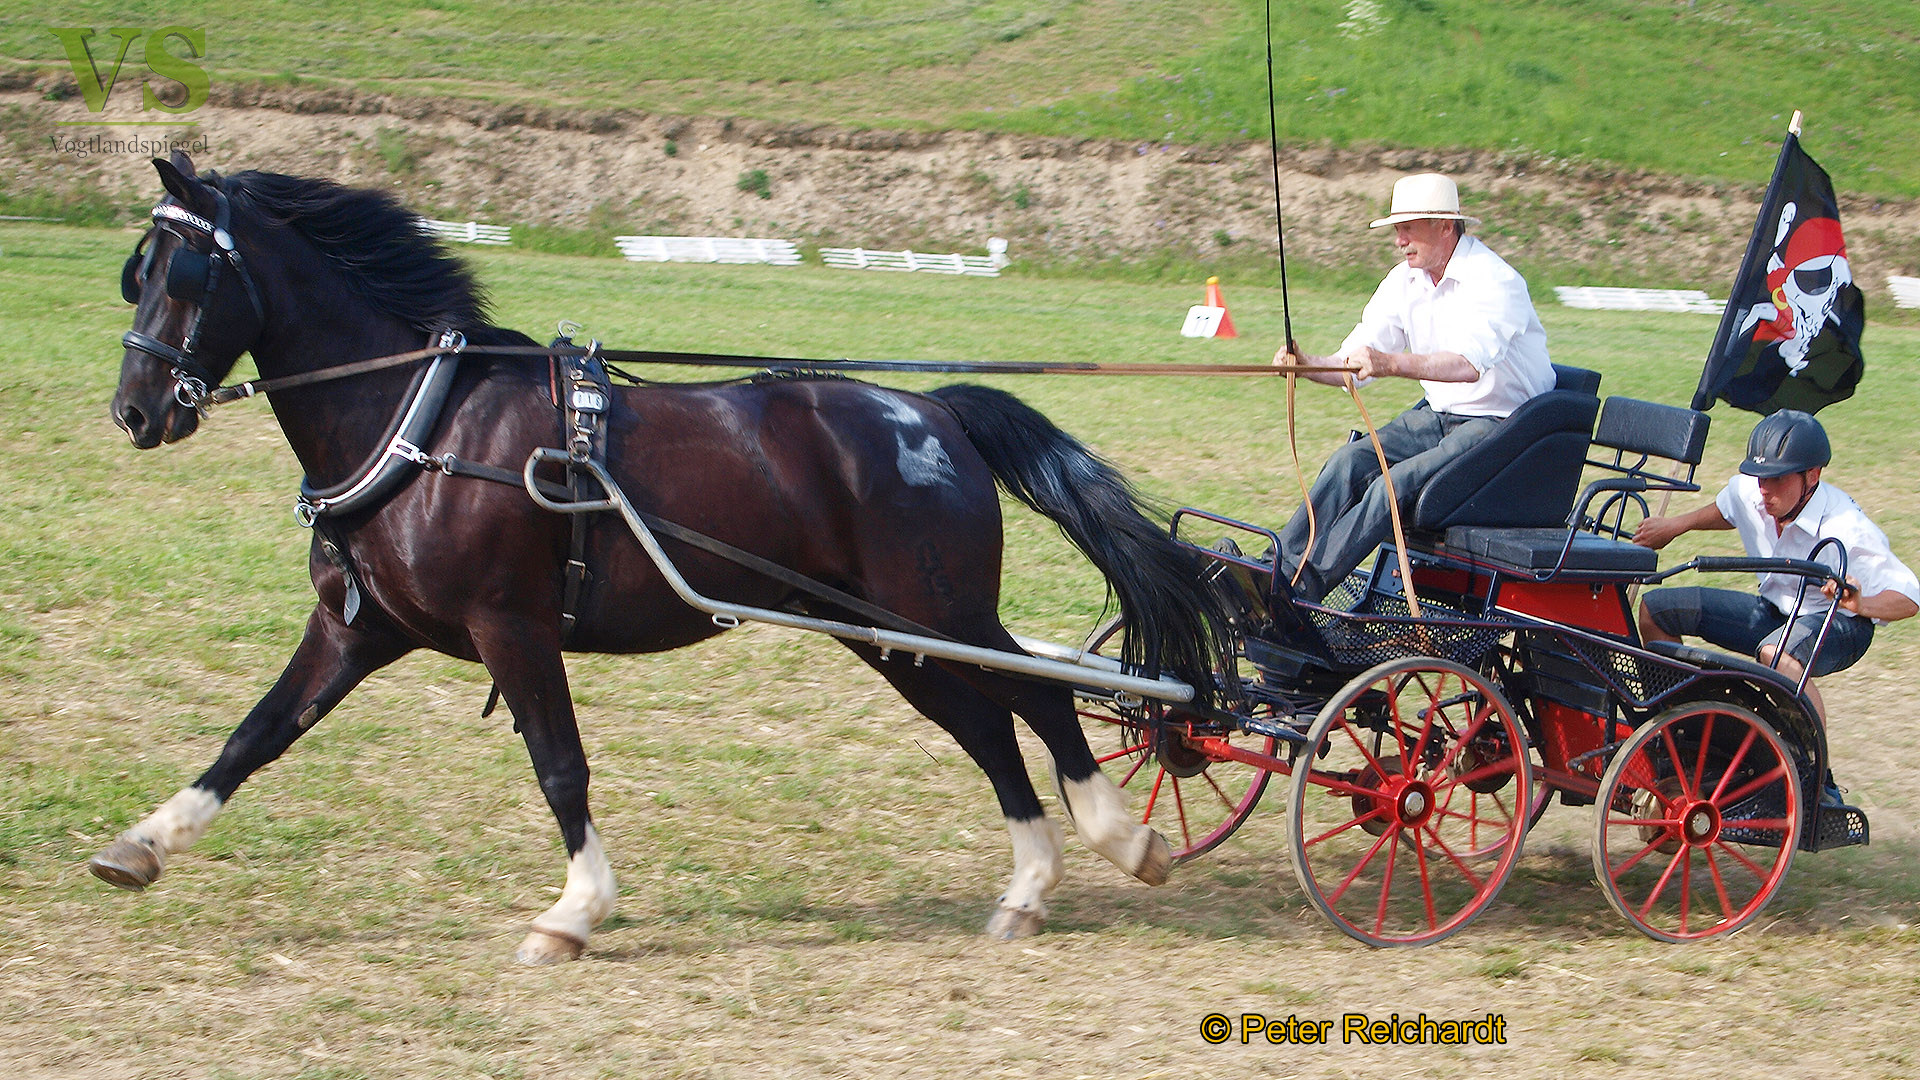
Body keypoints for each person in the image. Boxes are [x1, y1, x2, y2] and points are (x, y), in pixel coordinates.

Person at [1270, 173, 1555, 602]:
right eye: (1396, 230)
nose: (1399, 241)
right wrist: (1306, 365)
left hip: (1505, 429)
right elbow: (1354, 365)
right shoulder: (1404, 281)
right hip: (1438, 416)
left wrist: (1390, 364)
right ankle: (1274, 573)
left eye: (1408, 228)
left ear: (1445, 226)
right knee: (1349, 461)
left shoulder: (1496, 281)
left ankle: (1302, 589)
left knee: (1392, 485)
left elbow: (1466, 365)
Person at [1634, 410, 1918, 729]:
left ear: (1812, 476)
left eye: (1777, 478)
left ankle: (1815, 770)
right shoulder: (1752, 492)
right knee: (1656, 610)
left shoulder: (1847, 528)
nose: (1765, 489)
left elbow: (1909, 598)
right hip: (1774, 612)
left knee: (1776, 652)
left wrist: (1860, 604)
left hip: (1840, 626)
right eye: (1761, 477)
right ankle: (1690, 725)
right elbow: (1728, 510)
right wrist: (1675, 525)